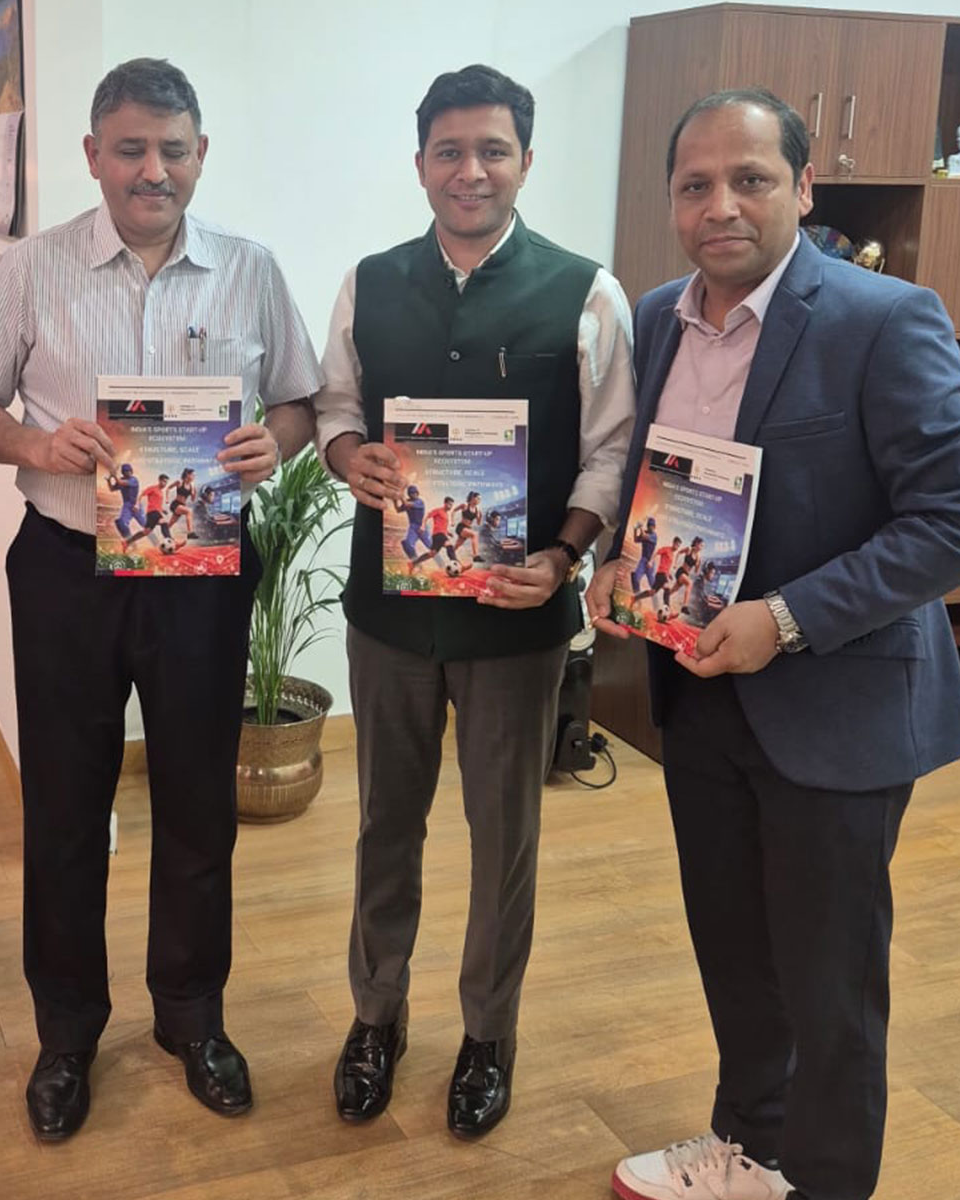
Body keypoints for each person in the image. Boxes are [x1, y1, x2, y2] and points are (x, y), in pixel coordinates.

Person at [586, 88, 960, 1200]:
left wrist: (783, 621)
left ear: (803, 188)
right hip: (698, 691)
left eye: (750, 179)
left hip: (834, 706)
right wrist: (617, 569)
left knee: (830, 988)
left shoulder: (883, 315)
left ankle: (823, 1184)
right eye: (694, 184)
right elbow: (654, 485)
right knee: (734, 954)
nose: (720, 204)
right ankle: (749, 1145)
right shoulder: (654, 318)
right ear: (671, 200)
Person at [0, 57, 322, 1142]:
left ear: (200, 155)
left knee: (200, 804)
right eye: (129, 149)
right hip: (68, 564)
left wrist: (270, 444)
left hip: (201, 572)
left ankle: (191, 1018)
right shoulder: (31, 270)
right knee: (66, 806)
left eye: (172, 149)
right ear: (93, 156)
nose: (151, 170)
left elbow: (296, 402)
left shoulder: (250, 270)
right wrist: (33, 440)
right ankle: (67, 1033)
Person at [310, 64, 635, 1138]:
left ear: (525, 162)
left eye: (492, 150)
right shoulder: (368, 278)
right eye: (448, 151)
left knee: (505, 838)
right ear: (419, 165)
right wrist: (347, 453)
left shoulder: (586, 291)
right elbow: (335, 403)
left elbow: (609, 450)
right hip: (388, 614)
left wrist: (565, 553)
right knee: (382, 828)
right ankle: (376, 1018)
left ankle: (488, 1034)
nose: (470, 170)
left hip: (516, 615)